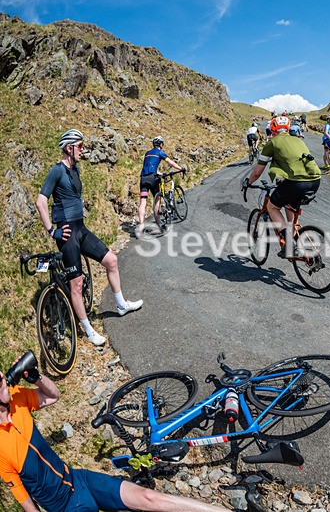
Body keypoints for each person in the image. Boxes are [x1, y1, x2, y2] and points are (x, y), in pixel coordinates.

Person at [0, 352, 228, 512]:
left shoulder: (18, 398)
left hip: (79, 479)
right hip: (65, 506)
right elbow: (25, 500)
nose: (3, 379)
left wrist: (37, 378)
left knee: (148, 496)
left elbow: (53, 396)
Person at [36, 129, 143, 346]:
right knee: (76, 284)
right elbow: (41, 201)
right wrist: (51, 230)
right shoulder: (57, 171)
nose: (83, 150)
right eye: (80, 146)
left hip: (81, 229)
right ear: (69, 148)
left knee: (111, 260)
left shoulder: (75, 170)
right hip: (66, 233)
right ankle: (88, 329)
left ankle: (121, 305)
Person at [242, 118, 321, 258]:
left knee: (272, 207)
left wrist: (248, 182)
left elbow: (258, 172)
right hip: (315, 181)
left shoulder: (271, 143)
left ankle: (290, 244)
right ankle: (293, 232)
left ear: (272, 130)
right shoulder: (298, 140)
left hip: (296, 183)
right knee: (288, 203)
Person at [137, 136, 185, 230]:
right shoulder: (160, 152)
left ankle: (141, 227)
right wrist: (181, 169)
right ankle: (159, 224)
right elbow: (171, 163)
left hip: (143, 178)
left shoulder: (147, 153)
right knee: (157, 199)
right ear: (161, 144)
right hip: (152, 178)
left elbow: (149, 166)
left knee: (143, 201)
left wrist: (160, 173)